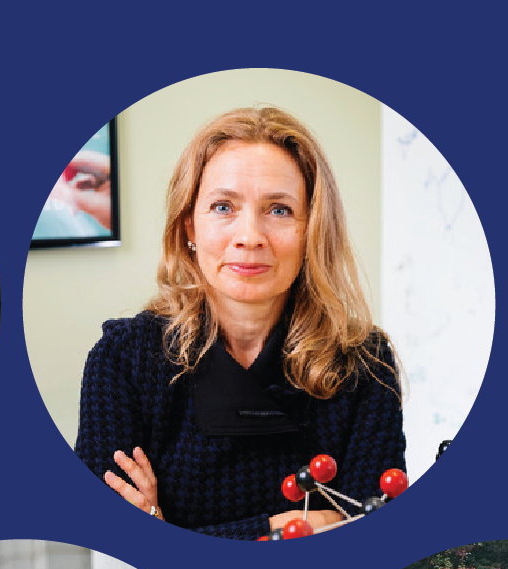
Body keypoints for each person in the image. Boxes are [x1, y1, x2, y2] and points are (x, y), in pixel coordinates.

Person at [75, 107, 405, 540]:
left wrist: (163, 523)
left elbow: (372, 533)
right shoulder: (123, 361)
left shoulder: (364, 363)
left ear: (312, 230)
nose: (250, 236)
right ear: (189, 223)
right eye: (223, 206)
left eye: (280, 210)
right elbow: (108, 542)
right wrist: (278, 527)